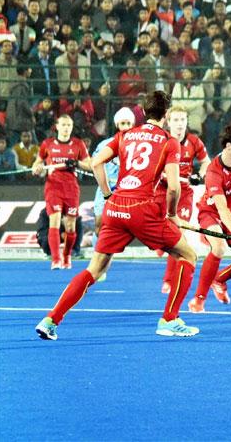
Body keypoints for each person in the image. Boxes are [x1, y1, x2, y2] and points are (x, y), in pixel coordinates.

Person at [35, 91, 201, 340]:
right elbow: (175, 187)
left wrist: (107, 193)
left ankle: (51, 320)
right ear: (166, 116)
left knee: (95, 269)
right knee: (188, 254)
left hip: (115, 208)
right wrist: (172, 215)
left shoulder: (124, 135)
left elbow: (95, 162)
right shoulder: (169, 142)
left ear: (143, 113)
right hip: (142, 209)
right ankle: (169, 319)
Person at [187, 123, 231, 312]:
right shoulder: (212, 171)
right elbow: (221, 207)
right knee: (219, 247)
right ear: (228, 146)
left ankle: (219, 279)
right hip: (211, 213)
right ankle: (199, 299)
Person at [158, 105, 210, 293]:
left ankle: (169, 280)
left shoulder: (194, 141)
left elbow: (206, 162)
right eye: (176, 120)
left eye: (183, 120)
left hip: (184, 193)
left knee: (178, 235)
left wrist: (200, 174)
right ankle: (159, 245)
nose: (180, 124)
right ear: (169, 122)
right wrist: (162, 174)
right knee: (163, 233)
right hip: (163, 191)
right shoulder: (162, 140)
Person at [31, 115, 91, 269]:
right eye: (63, 125)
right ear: (57, 126)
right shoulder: (48, 144)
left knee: (70, 226)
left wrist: (77, 163)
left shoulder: (78, 144)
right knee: (55, 220)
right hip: (53, 187)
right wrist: (36, 168)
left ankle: (67, 256)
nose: (66, 128)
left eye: (69, 125)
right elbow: (38, 162)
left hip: (71, 188)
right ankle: (56, 259)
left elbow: (89, 164)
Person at [91, 107, 136, 281]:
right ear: (117, 125)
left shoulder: (138, 145)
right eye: (122, 123)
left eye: (128, 123)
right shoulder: (105, 144)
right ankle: (98, 263)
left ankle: (104, 263)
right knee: (99, 226)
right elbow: (93, 164)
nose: (125, 126)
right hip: (106, 189)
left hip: (127, 192)